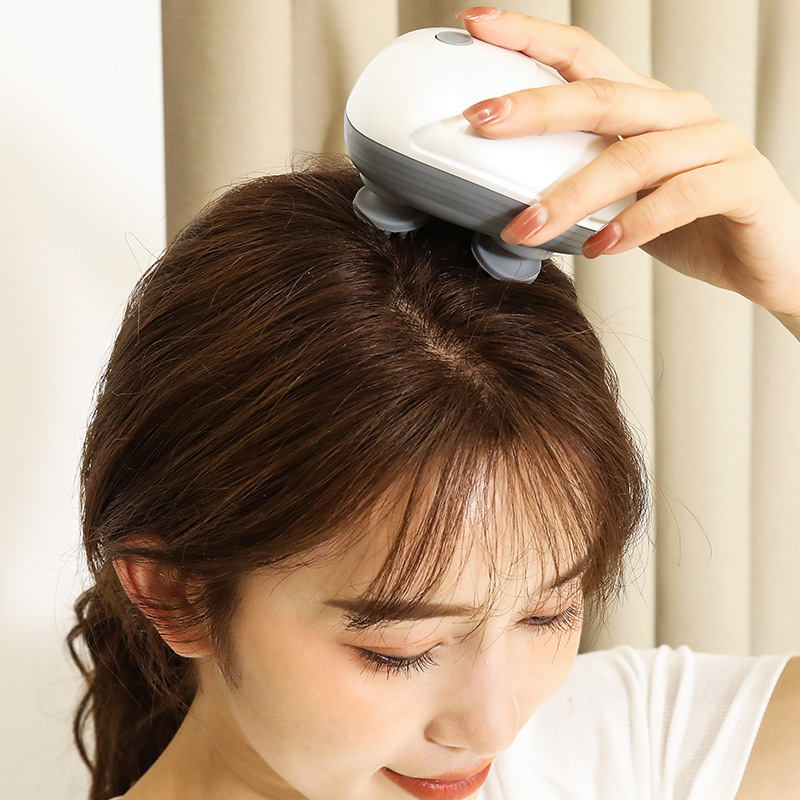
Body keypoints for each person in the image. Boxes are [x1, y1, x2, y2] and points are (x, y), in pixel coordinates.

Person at [68, 8, 800, 800]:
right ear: (176, 596)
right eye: (401, 651)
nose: (493, 727)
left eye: (548, 614)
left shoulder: (625, 747)